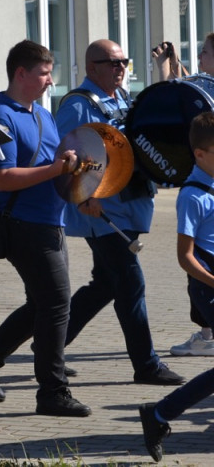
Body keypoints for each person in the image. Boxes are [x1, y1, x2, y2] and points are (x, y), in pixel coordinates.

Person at [0, 39, 91, 417]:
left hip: (51, 223)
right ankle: (52, 391)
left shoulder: (41, 113)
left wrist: (81, 186)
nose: (51, 81)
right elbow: (2, 178)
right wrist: (55, 169)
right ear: (21, 73)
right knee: (56, 304)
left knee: (42, 304)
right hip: (23, 226)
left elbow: (54, 165)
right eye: (45, 74)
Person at [55, 40, 184, 385]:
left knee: (104, 285)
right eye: (112, 63)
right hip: (102, 212)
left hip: (129, 206)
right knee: (130, 284)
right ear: (91, 67)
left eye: (123, 61)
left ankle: (49, 349)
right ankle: (147, 365)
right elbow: (66, 155)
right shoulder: (78, 105)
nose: (120, 68)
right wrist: (83, 197)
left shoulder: (123, 99)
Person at [138, 111, 214, 462]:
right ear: (200, 154)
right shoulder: (193, 196)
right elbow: (185, 256)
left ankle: (158, 415)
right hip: (208, 284)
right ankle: (158, 414)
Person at [153, 35, 214, 356]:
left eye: (205, 53)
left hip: (205, 185)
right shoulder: (204, 86)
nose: (200, 58)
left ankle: (206, 335)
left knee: (201, 255)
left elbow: (173, 100)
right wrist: (170, 66)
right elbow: (177, 90)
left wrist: (169, 70)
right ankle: (206, 332)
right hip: (204, 185)